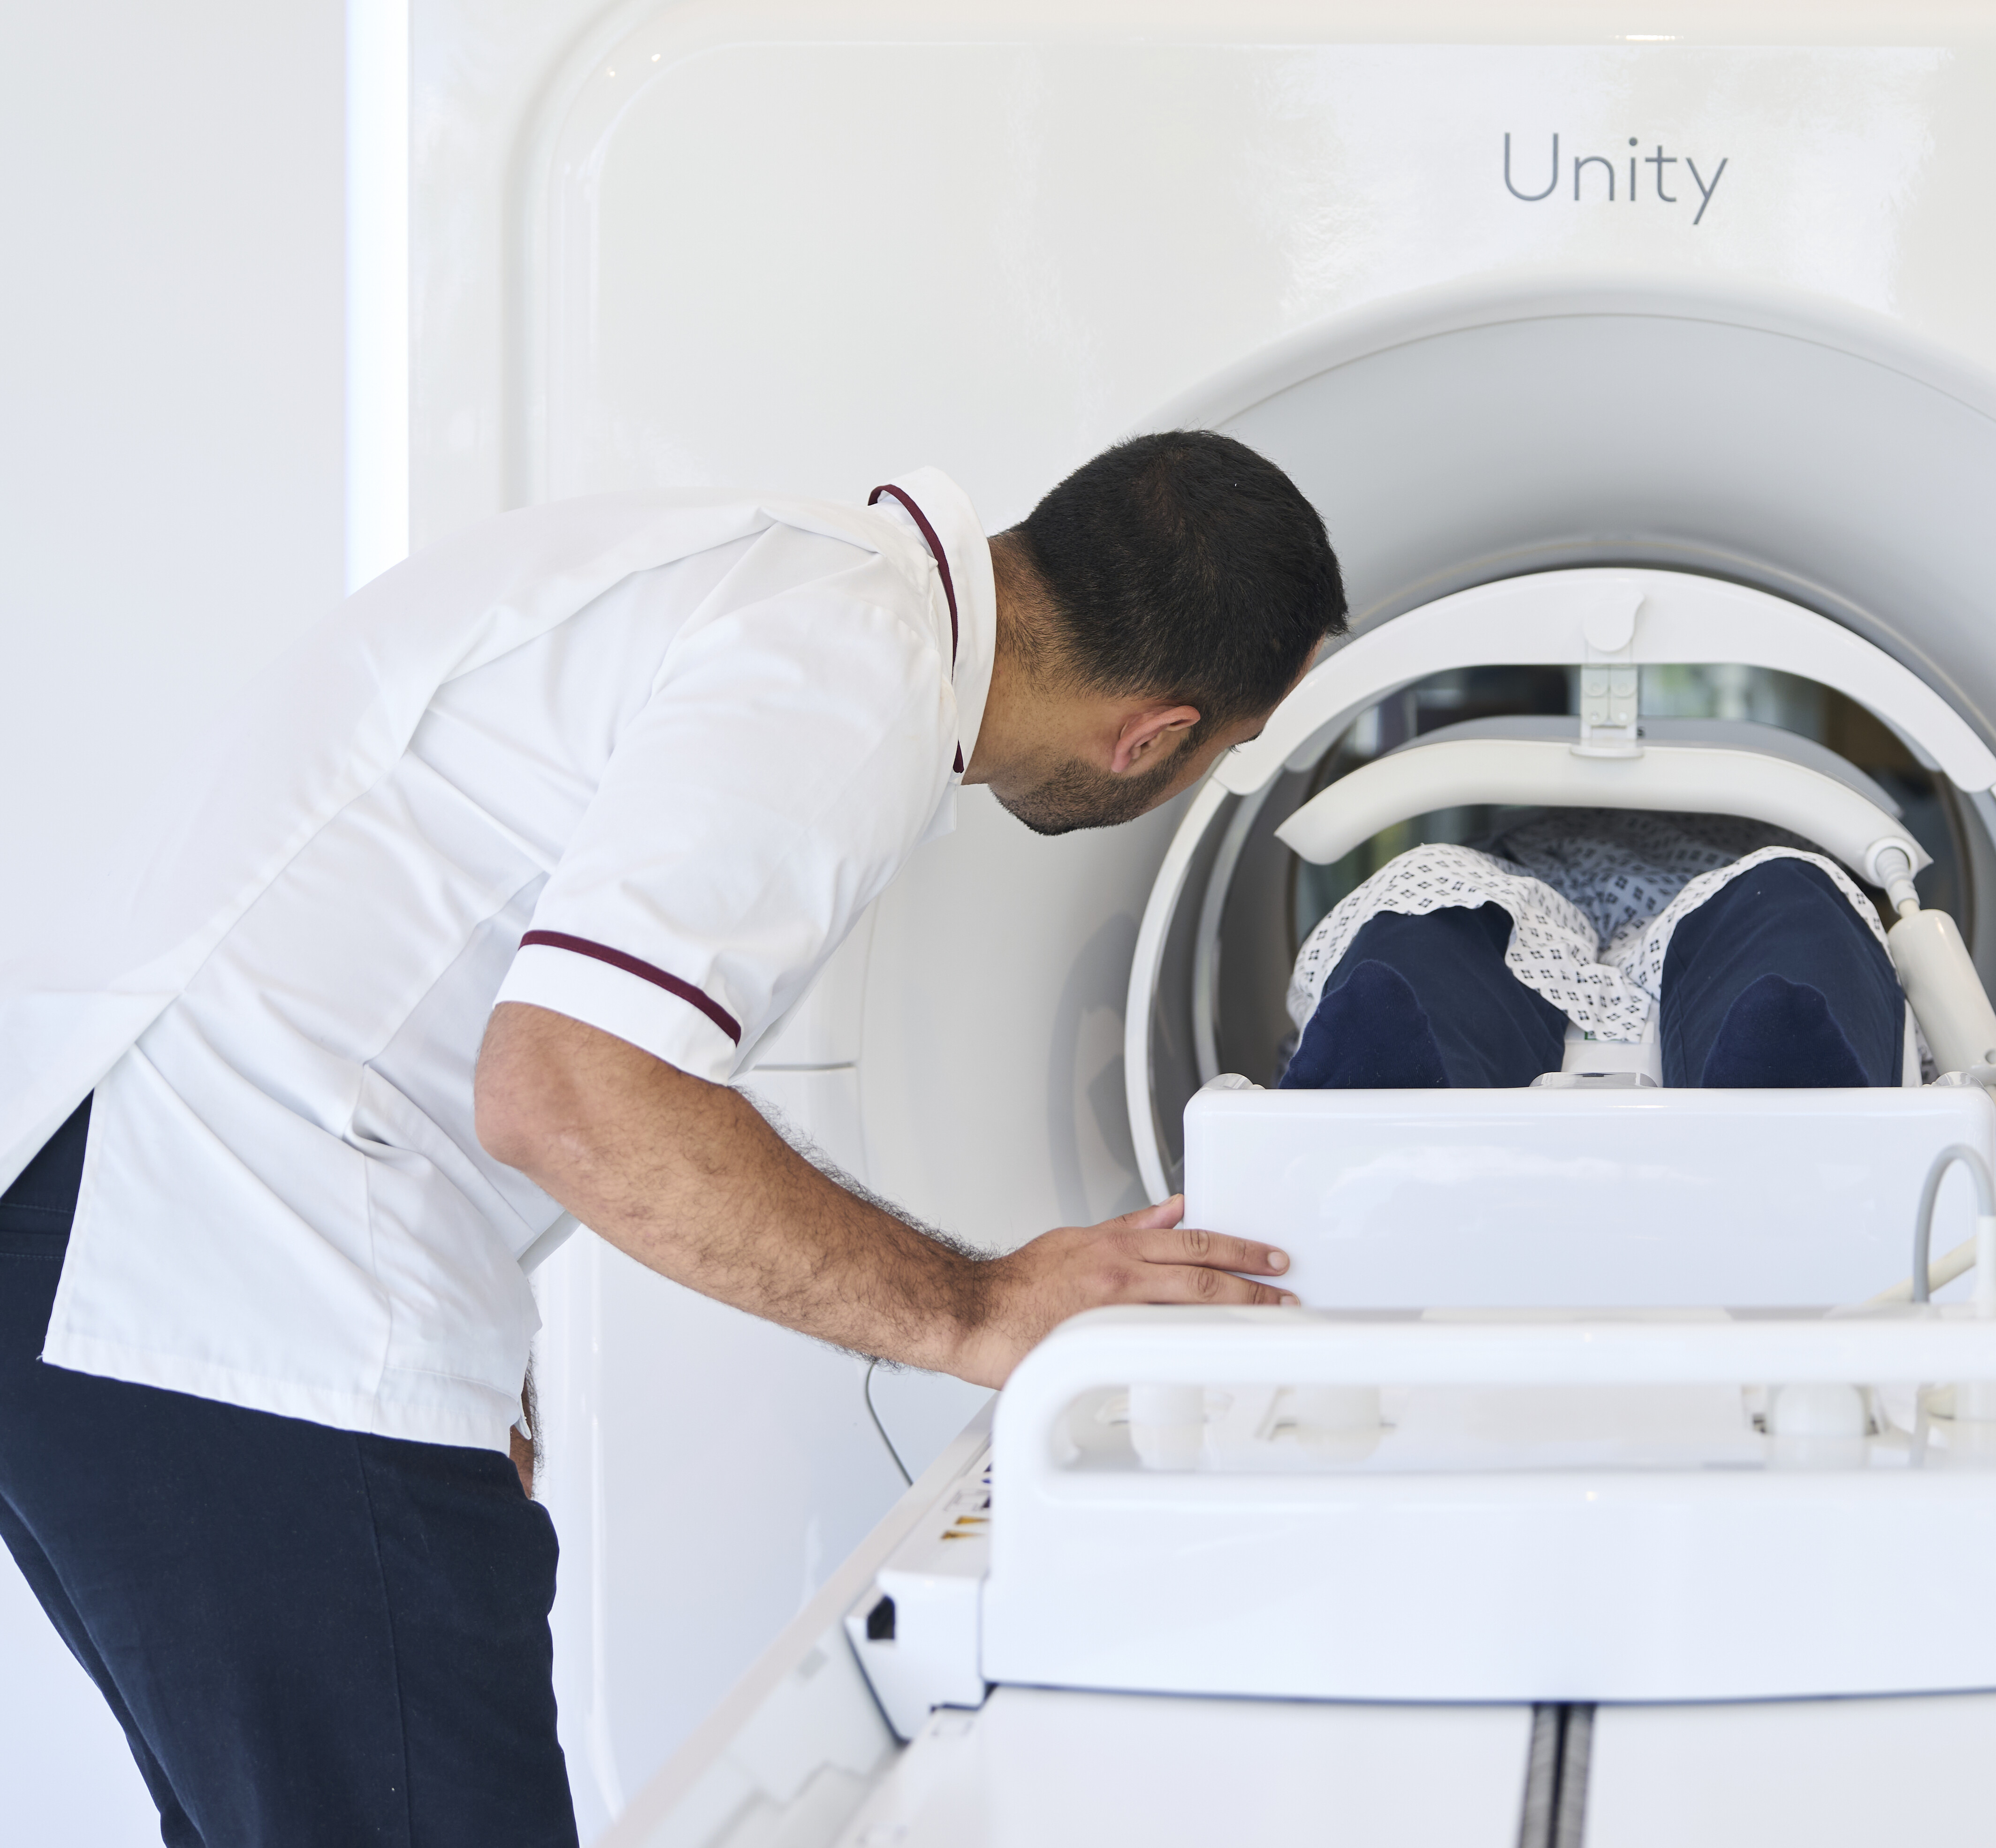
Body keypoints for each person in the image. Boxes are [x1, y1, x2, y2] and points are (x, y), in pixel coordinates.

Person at [0, 430, 1343, 1846]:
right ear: (1155, 735)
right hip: (240, 1285)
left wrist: (459, 1338)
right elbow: (571, 1084)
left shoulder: (789, 577)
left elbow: (431, 955)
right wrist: (981, 1305)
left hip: (131, 1225)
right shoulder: (854, 676)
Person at [1278, 809, 1906, 1090]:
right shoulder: (1505, 841)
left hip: (1726, 871)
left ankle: (1787, 1087)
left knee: (1787, 896)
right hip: (1529, 875)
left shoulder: (1779, 833)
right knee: (1437, 910)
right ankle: (1385, 1069)